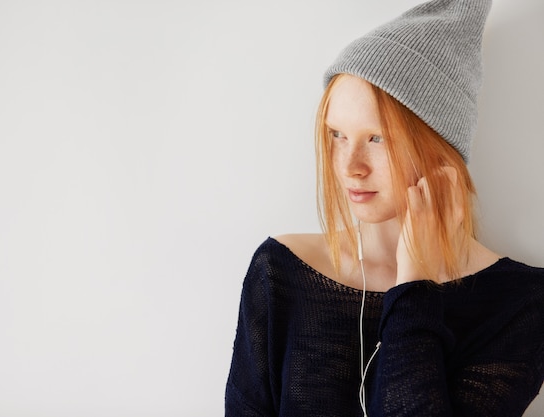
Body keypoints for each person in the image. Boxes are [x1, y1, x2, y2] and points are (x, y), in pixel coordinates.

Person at [225, 0, 544, 416]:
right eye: (337, 135)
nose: (350, 167)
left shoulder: (520, 304)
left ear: (440, 148)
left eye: (377, 138)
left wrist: (412, 284)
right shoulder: (279, 272)